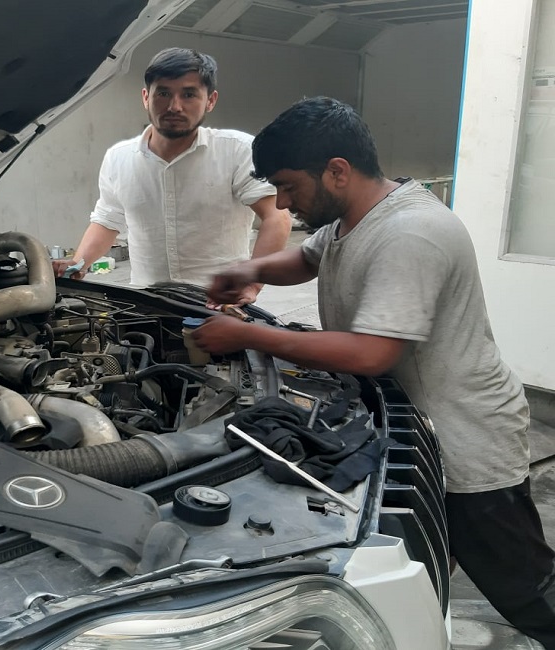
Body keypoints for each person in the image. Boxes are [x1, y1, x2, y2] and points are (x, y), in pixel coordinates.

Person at [193, 96, 555, 647]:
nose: (282, 203)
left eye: (289, 187)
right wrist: (249, 269)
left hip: (467, 439)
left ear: (337, 171)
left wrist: (246, 335)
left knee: (524, 586)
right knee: (423, 564)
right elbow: (308, 258)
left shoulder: (411, 232)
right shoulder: (354, 217)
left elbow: (370, 353)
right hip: (413, 428)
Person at [52, 47, 290, 305]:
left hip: (219, 304)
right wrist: (78, 263)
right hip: (146, 304)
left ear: (210, 100)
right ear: (146, 97)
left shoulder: (237, 151)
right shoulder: (118, 158)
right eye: (163, 93)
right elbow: (108, 220)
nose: (174, 106)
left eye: (189, 94)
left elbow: (276, 217)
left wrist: (252, 284)